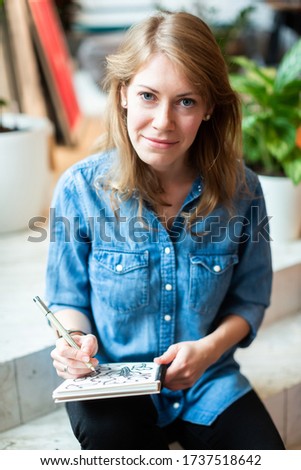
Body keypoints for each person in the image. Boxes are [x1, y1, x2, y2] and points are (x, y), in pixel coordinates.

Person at [45, 10, 285, 450]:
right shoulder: (80, 189)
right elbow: (66, 298)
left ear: (210, 107)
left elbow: (250, 299)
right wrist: (74, 342)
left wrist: (208, 350)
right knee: (110, 438)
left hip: (208, 384)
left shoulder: (243, 190)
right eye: (149, 96)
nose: (164, 122)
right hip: (112, 382)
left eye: (186, 101)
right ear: (123, 94)